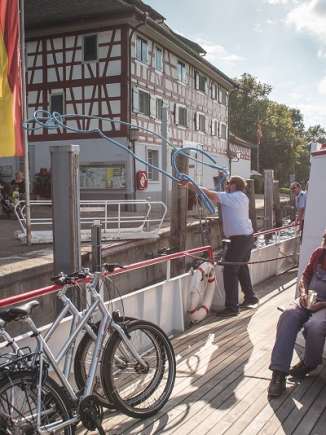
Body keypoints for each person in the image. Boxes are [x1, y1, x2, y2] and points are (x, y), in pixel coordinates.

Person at [183, 175, 259, 316]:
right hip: (246, 238)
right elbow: (215, 196)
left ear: (234, 185)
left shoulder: (233, 197)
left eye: (228, 183)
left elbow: (210, 194)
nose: (226, 186)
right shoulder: (242, 197)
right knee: (241, 266)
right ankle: (250, 297)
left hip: (240, 239)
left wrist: (191, 186)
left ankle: (232, 307)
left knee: (230, 270)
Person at [268, 231, 326, 398]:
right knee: (288, 315)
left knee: (315, 326)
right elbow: (305, 277)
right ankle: (278, 373)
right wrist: (302, 293)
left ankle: (309, 363)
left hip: (324, 306)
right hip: (307, 300)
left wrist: (321, 304)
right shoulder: (319, 254)